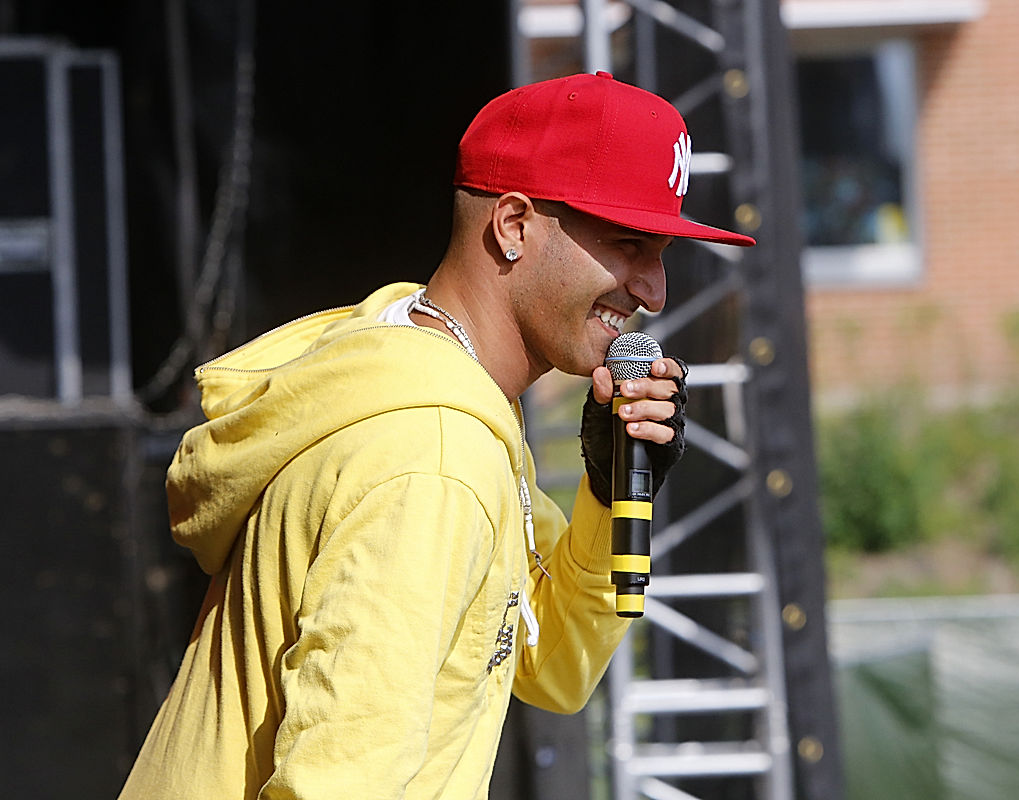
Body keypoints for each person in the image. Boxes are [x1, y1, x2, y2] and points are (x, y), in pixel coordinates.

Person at [119, 70, 755, 799]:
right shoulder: (434, 455)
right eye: (629, 244)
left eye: (662, 253)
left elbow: (554, 665)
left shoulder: (411, 374)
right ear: (513, 225)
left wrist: (608, 496)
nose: (654, 290)